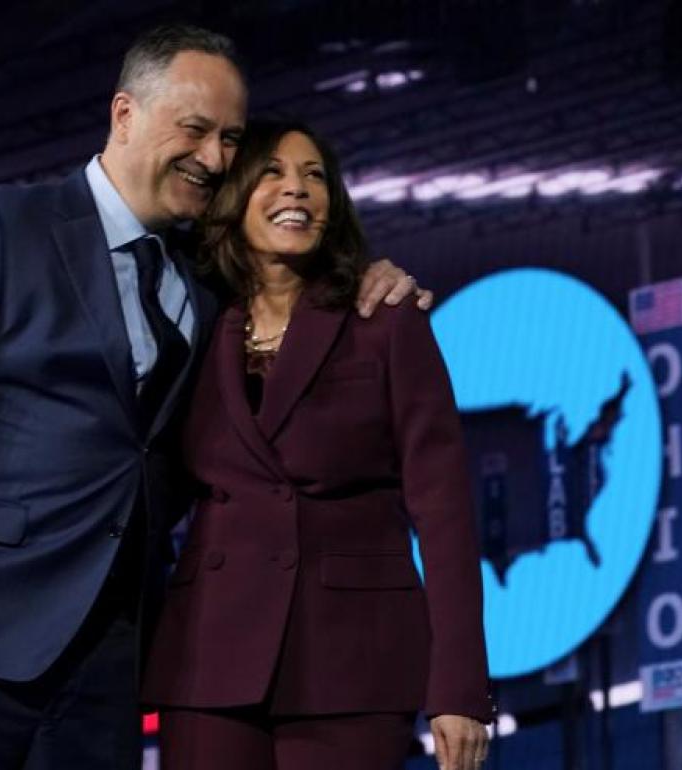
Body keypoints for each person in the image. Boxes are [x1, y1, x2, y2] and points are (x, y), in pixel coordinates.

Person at [0, 25, 427, 770]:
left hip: (111, 663)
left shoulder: (210, 276)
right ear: (124, 114)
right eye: (195, 130)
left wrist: (371, 276)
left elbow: (295, 282)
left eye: (229, 139)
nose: (215, 158)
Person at [141, 120, 492, 770]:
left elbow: (444, 515)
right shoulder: (195, 318)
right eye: (272, 173)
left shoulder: (384, 320)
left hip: (351, 662)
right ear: (233, 196)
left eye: (314, 176)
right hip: (209, 658)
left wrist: (460, 686)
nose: (296, 189)